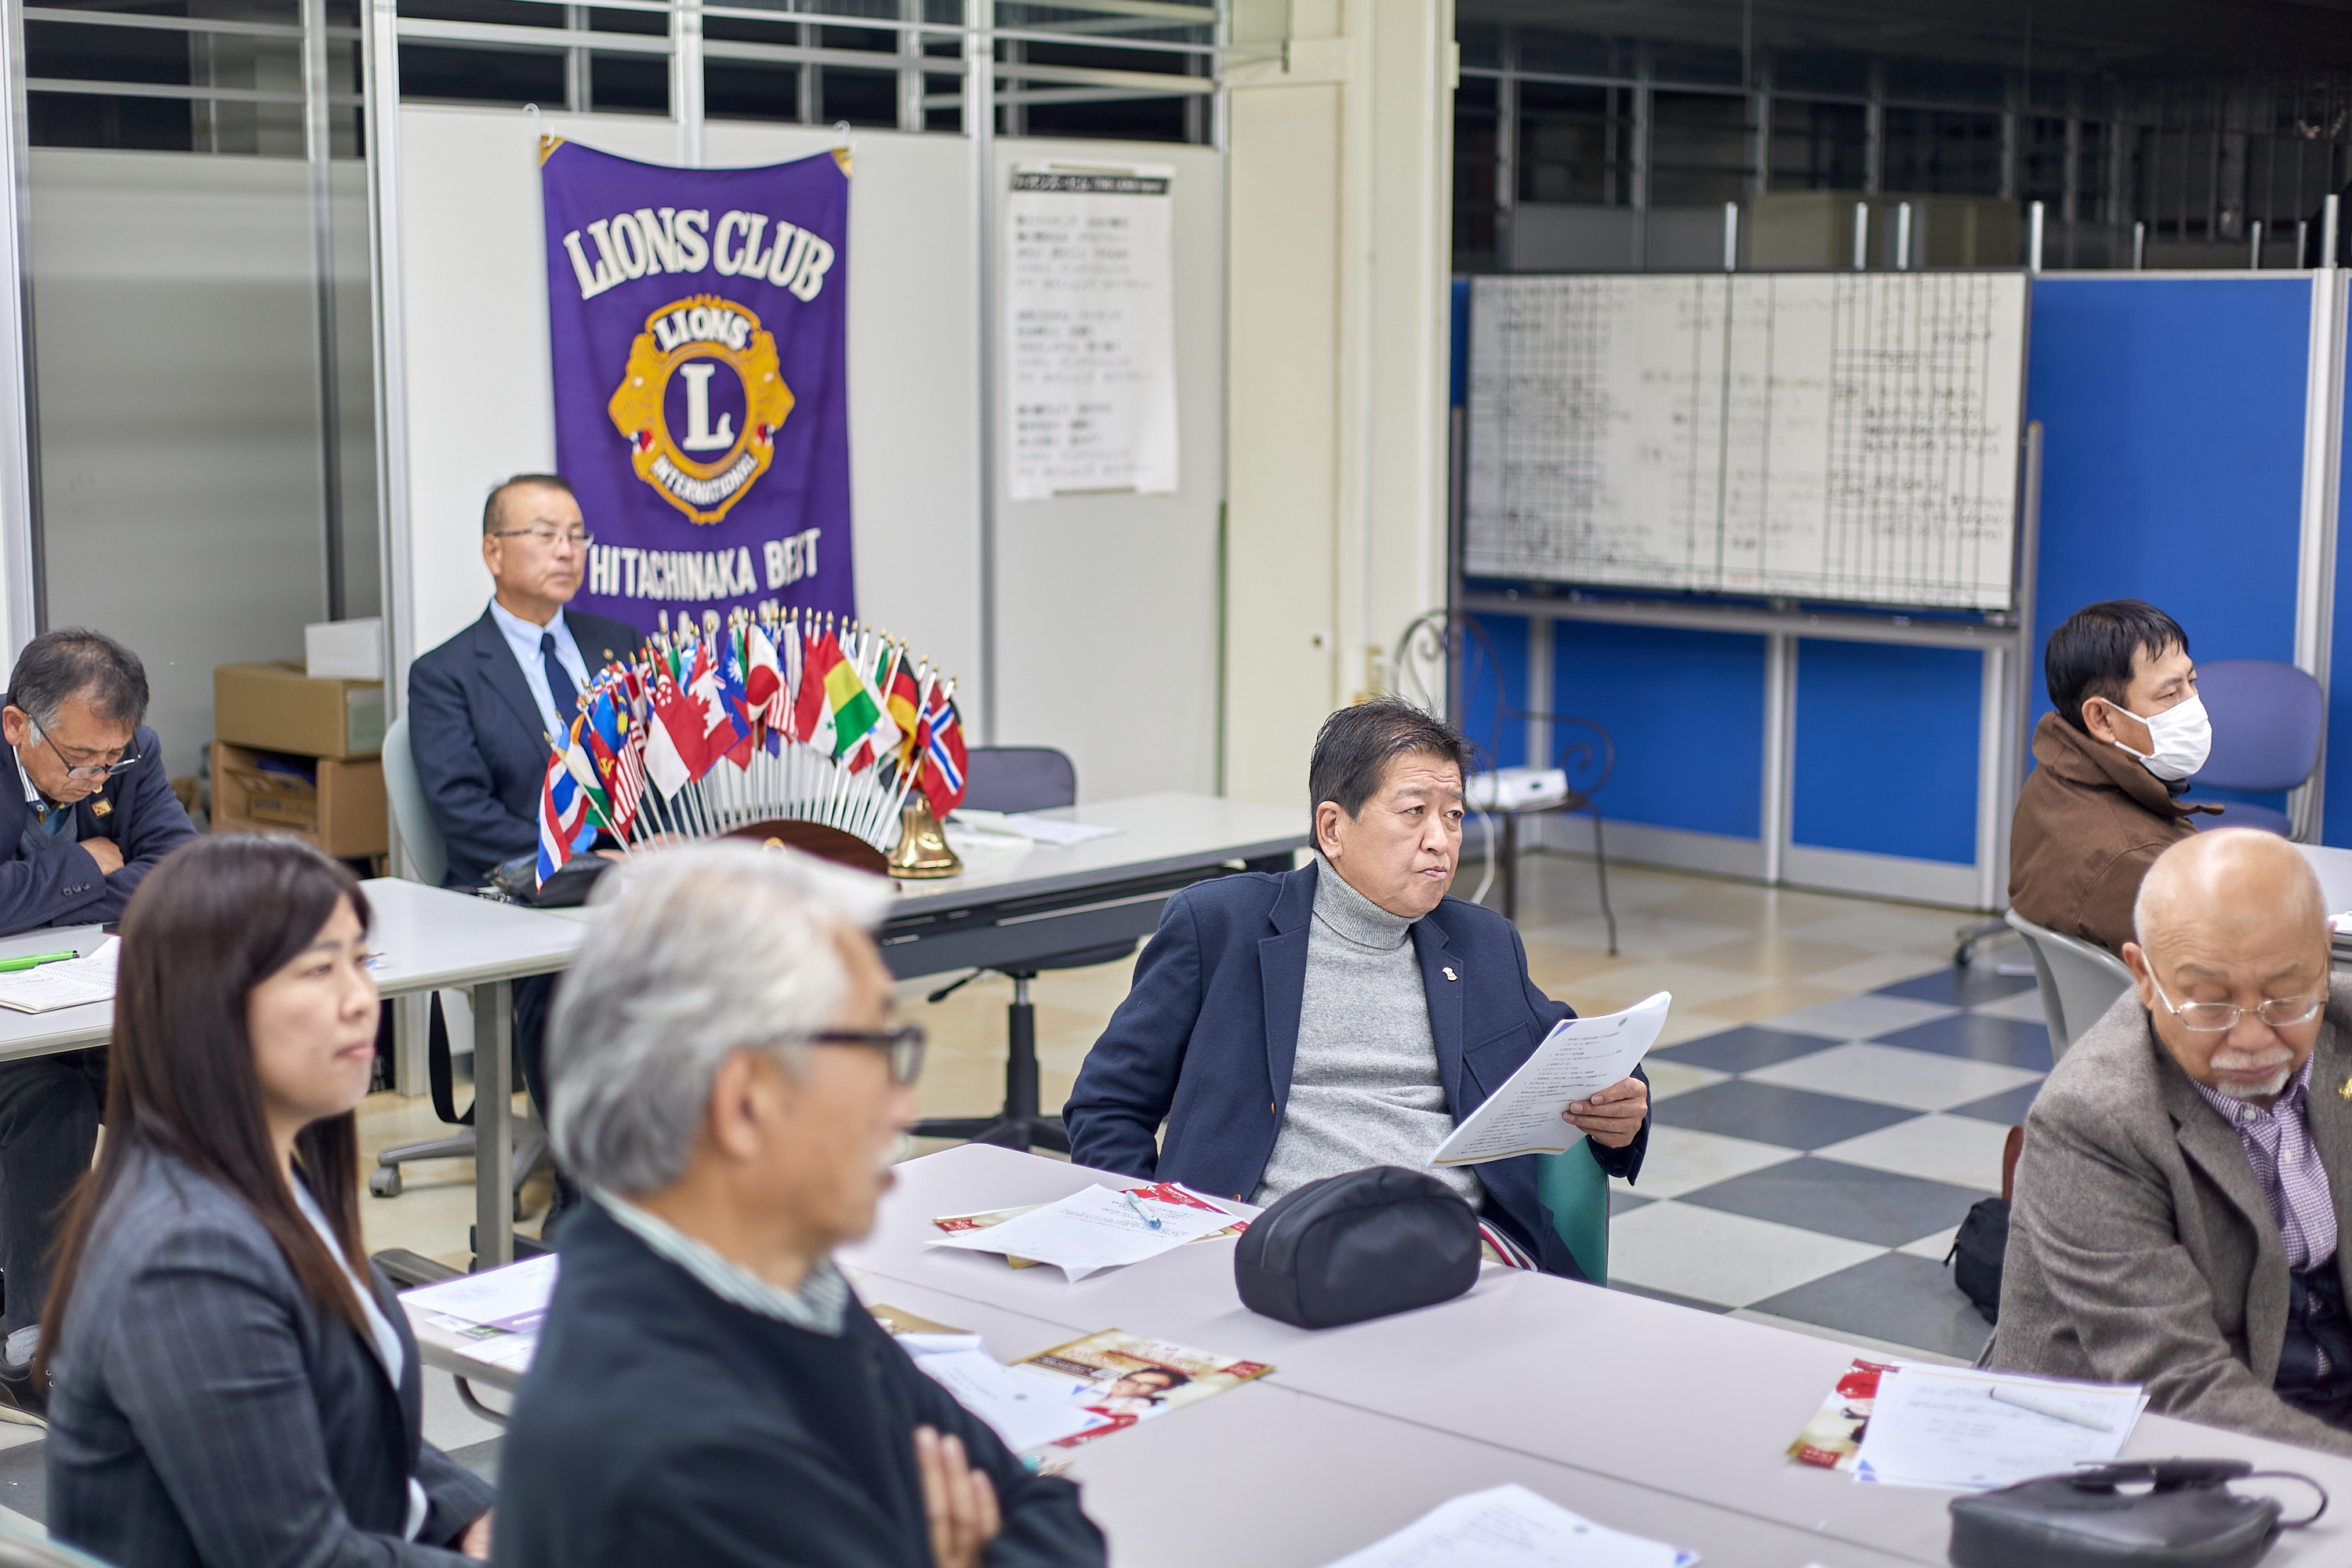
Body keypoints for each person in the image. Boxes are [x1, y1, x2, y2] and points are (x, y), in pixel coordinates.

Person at [492, 845, 1105, 1568]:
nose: (905, 1102)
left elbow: (1044, 1511)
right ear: (744, 1100)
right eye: (878, 1046)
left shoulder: (769, 1275)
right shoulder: (684, 1458)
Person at [1063, 699, 1650, 1278]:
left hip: (1457, 1251)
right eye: (1414, 811)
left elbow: (1581, 1054)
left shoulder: (1482, 943)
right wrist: (1144, 1230)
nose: (1440, 841)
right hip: (1259, 1248)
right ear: (1333, 828)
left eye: (1453, 815)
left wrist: (1624, 1107)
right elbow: (1108, 1105)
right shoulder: (1220, 925)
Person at [39, 835, 496, 1563]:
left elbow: (355, 1414)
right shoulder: (185, 1258)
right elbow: (295, 1557)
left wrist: (474, 1518)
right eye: (319, 970)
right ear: (210, 1007)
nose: (359, 1000)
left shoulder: (268, 1175)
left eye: (360, 960)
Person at [1990, 829, 2352, 1454]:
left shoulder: (2344, 1029)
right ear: (2145, 977)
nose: (2252, 1038)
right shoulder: (2094, 1120)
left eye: (2285, 996)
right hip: (2143, 1439)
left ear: (2324, 960)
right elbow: (2180, 1391)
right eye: (2209, 1006)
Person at [405, 474, 639, 1210]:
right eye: (545, 534)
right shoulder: (444, 674)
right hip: (520, 893)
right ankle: (587, 1213)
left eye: (577, 535)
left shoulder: (617, 646)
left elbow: (653, 777)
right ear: (493, 552)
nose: (566, 551)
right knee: (576, 983)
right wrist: (584, 861)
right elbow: (464, 815)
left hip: (631, 883)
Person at [0, 628, 196, 1410]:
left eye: (109, 760)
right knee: (45, 1093)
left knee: (185, 1075)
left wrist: (38, 887)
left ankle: (196, 1301)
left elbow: (177, 870)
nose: (95, 777)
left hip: (91, 997)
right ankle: (34, 1340)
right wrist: (89, 864)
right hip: (13, 1029)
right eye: (78, 758)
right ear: (17, 724)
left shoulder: (129, 750)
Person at [2010, 598, 2218, 953]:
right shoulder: (2136, 864)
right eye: (2170, 694)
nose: (2194, 705)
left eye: (2192, 681)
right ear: (2102, 719)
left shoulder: (2056, 775)